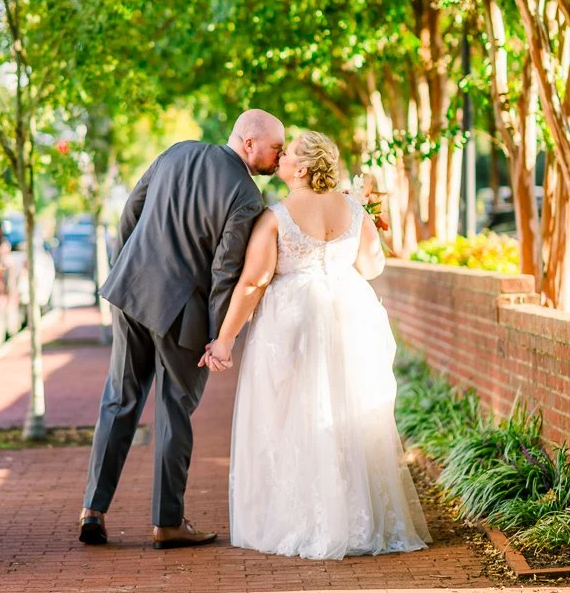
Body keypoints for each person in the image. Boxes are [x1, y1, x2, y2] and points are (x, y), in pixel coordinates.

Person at [201, 131, 431, 559]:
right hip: (350, 314)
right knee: (345, 412)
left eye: (286, 154)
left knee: (294, 417)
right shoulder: (354, 208)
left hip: (294, 324)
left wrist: (224, 340)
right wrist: (368, 220)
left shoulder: (275, 217)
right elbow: (371, 267)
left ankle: (305, 520)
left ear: (302, 169)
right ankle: (357, 520)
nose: (280, 158)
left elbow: (253, 282)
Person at [79, 109, 285, 549]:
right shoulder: (247, 195)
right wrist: (218, 338)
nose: (279, 155)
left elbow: (130, 213)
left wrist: (126, 267)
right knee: (174, 413)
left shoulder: (177, 153)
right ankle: (167, 522)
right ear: (249, 143)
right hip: (182, 313)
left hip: (131, 291)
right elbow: (226, 271)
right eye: (276, 147)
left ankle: (93, 510)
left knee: (119, 400)